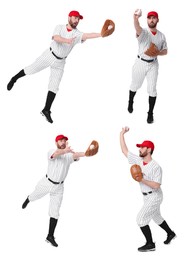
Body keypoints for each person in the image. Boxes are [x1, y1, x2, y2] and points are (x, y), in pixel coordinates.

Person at [7, 10, 103, 123]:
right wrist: (67, 40)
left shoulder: (77, 34)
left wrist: (101, 34)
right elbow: (56, 38)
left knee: (54, 86)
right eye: (75, 18)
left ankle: (46, 110)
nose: (77, 20)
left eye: (78, 19)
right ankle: (14, 78)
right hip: (49, 55)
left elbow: (88, 35)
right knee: (30, 70)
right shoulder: (59, 27)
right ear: (69, 17)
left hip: (60, 62)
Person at [22, 134, 86, 247]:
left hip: (59, 187)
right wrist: (65, 151)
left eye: (65, 141)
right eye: (61, 140)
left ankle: (50, 236)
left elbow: (77, 155)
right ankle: (28, 199)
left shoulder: (68, 155)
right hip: (47, 183)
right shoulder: (51, 151)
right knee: (34, 195)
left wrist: (87, 153)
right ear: (56, 143)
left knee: (55, 212)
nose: (63, 142)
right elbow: (56, 154)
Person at [120, 127, 176, 252]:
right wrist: (122, 133)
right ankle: (170, 233)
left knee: (140, 219)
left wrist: (142, 179)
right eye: (139, 147)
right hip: (145, 196)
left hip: (155, 195)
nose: (139, 149)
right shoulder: (139, 160)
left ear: (149, 150)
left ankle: (150, 244)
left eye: (142, 147)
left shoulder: (156, 166)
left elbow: (156, 185)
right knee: (156, 217)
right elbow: (124, 151)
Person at [128, 11, 167, 123]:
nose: (151, 20)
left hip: (153, 64)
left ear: (157, 20)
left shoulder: (161, 36)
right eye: (149, 18)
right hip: (140, 62)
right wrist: (135, 19)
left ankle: (150, 113)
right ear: (147, 20)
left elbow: (165, 51)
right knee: (135, 85)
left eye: (153, 18)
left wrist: (158, 53)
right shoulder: (144, 32)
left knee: (152, 89)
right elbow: (137, 27)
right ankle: (130, 101)